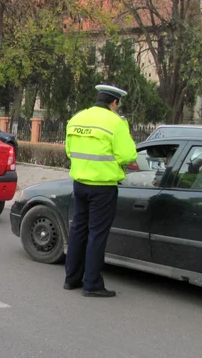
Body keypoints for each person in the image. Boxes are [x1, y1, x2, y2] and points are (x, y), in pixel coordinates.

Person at [63, 84, 138, 298]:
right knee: (97, 234)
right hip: (103, 186)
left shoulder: (77, 118)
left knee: (78, 229)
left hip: (80, 183)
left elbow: (69, 150)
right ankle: (92, 284)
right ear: (114, 103)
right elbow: (127, 155)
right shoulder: (116, 122)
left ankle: (71, 279)